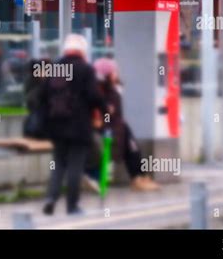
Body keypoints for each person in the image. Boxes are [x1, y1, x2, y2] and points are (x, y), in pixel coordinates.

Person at [40, 34, 107, 215]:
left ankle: (51, 198)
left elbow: (43, 97)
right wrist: (105, 113)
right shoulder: (85, 69)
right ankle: (72, 206)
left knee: (59, 164)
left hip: (56, 126)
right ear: (83, 51)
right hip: (79, 126)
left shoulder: (55, 68)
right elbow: (94, 96)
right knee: (75, 165)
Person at [86, 57, 160, 192]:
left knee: (132, 144)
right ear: (105, 76)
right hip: (106, 130)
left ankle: (140, 176)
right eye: (114, 72)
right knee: (129, 142)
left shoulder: (113, 90)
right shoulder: (99, 93)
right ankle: (138, 177)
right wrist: (107, 120)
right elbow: (102, 117)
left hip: (115, 129)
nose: (116, 74)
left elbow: (111, 114)